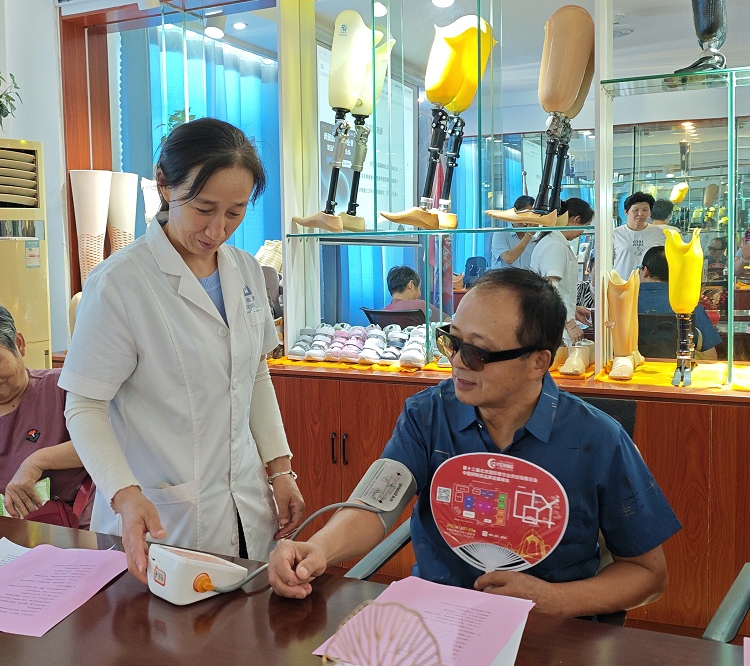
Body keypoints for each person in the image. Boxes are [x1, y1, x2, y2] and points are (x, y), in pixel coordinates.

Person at [269, 269, 681, 619]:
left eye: (479, 352)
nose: (459, 362)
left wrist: (552, 600)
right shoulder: (428, 415)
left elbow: (650, 575)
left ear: (539, 360)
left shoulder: (598, 439)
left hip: (551, 637)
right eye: (452, 341)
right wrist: (317, 548)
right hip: (437, 624)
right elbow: (375, 507)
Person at [59, 118, 304, 583]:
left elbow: (253, 376)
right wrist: (125, 495)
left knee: (245, 641)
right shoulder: (119, 284)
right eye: (204, 207)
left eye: (234, 212)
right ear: (165, 185)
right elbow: (85, 407)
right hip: (160, 517)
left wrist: (281, 469)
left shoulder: (247, 271)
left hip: (245, 509)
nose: (217, 229)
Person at [0, 298, 90, 523]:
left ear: (19, 344)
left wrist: (37, 461)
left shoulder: (62, 389)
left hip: (68, 535)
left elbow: (107, 443)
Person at [530, 197, 594, 344]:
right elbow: (550, 290)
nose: (582, 232)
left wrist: (573, 308)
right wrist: (569, 323)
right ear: (576, 220)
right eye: (586, 226)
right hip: (554, 329)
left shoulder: (557, 242)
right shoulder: (555, 245)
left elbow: (560, 291)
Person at [638, 246, 721, 358]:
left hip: (634, 372)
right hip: (679, 372)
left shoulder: (627, 302)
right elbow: (711, 357)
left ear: (645, 271)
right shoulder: (689, 303)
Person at [612, 192, 667, 280]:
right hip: (621, 286)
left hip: (649, 286)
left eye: (645, 210)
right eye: (635, 210)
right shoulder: (615, 234)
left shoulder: (660, 234)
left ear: (650, 212)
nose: (640, 214)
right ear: (626, 212)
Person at [490, 194, 540, 269]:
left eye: (530, 217)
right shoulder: (500, 234)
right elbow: (508, 259)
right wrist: (528, 235)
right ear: (514, 213)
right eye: (523, 215)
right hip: (503, 279)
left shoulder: (535, 240)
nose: (525, 221)